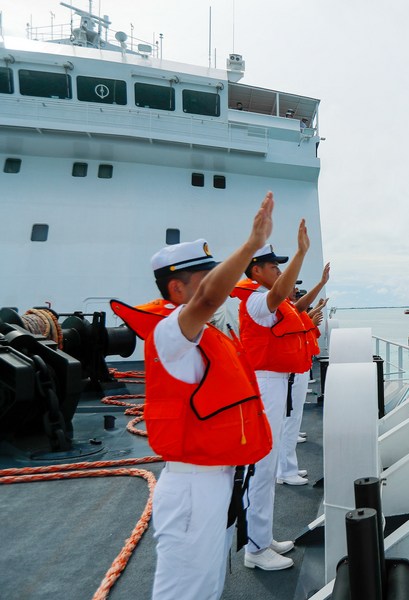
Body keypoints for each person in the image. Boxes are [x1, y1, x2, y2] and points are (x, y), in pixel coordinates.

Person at [109, 193, 276, 599]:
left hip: (216, 480)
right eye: (207, 275)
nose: (221, 283)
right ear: (177, 288)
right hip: (191, 489)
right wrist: (252, 245)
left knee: (208, 585)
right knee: (185, 591)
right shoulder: (170, 334)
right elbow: (208, 299)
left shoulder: (208, 334)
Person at [230, 225, 312, 571]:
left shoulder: (261, 298)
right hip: (265, 385)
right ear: (256, 271)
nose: (279, 271)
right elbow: (279, 295)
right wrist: (301, 253)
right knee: (261, 466)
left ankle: (262, 537)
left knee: (268, 462)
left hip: (276, 384)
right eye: (274, 266)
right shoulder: (254, 300)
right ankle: (256, 549)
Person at [275, 268, 330, 486]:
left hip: (297, 367)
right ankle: (285, 471)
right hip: (289, 372)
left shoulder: (287, 308)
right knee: (287, 421)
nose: (296, 290)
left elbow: (302, 325)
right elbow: (296, 329)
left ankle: (289, 467)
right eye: (293, 286)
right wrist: (311, 317)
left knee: (292, 418)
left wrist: (313, 315)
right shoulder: (280, 308)